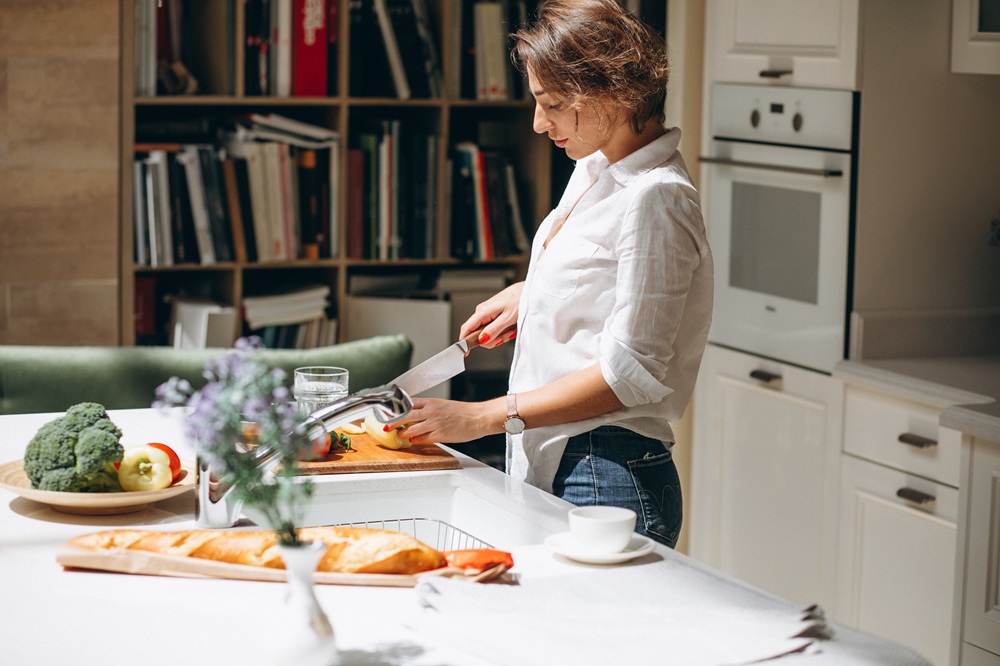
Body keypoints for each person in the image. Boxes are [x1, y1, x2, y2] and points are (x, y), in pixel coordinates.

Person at [397, 0, 713, 549]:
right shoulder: (595, 168)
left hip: (610, 474)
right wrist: (535, 294)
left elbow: (628, 374)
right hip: (567, 463)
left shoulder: (656, 198)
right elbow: (609, 276)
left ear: (613, 91)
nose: (540, 124)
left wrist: (481, 418)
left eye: (554, 105)